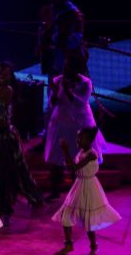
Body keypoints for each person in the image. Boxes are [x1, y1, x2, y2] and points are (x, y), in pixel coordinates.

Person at [0, 62, 43, 225]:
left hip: (5, 138)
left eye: (4, 74)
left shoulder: (7, 91)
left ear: (10, 77)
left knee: (6, 173)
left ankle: (5, 210)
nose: (0, 76)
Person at [45, 53, 106, 200]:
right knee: (56, 156)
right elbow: (53, 102)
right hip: (60, 122)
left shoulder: (85, 83)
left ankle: (78, 192)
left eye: (69, 65)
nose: (65, 68)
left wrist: (66, 89)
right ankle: (55, 191)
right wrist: (54, 91)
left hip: (79, 124)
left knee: (78, 156)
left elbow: (80, 102)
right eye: (65, 65)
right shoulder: (58, 80)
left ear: (76, 67)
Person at [53, 127, 121, 255]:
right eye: (77, 137)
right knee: (66, 214)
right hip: (79, 185)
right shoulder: (80, 152)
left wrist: (66, 150)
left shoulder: (92, 154)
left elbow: (74, 167)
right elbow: (71, 166)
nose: (78, 140)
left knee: (87, 219)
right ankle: (68, 244)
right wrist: (66, 153)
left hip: (89, 186)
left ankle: (94, 245)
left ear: (89, 140)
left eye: (81, 137)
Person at [37, 0, 86, 79]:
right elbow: (43, 29)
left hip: (67, 60)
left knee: (67, 88)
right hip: (52, 59)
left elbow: (77, 38)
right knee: (53, 88)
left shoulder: (74, 14)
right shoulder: (48, 10)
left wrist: (57, 39)